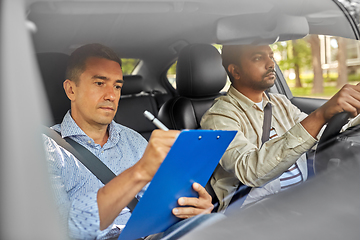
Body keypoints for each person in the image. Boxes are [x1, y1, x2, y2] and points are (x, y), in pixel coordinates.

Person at [43, 43, 214, 240]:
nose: (111, 95)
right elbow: (63, 230)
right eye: (100, 83)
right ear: (71, 89)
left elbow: (163, 207)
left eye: (117, 86)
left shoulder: (135, 140)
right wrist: (139, 172)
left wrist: (193, 209)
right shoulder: (47, 149)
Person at [200, 44, 360, 211]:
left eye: (271, 56)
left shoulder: (280, 102)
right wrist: (320, 114)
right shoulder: (219, 117)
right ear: (236, 71)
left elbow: (325, 132)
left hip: (298, 197)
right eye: (258, 58)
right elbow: (250, 170)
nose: (271, 64)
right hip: (252, 212)